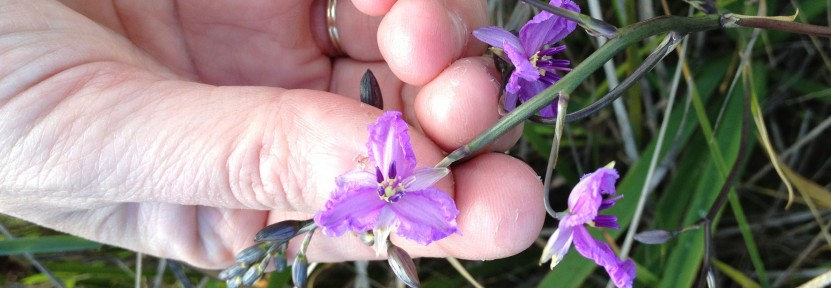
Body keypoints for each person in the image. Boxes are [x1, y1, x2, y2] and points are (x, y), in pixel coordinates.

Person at [0, 0, 544, 269]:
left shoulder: (380, 170)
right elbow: (327, 202)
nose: (387, 191)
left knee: (443, 66)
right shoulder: (360, 188)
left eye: (386, 191)